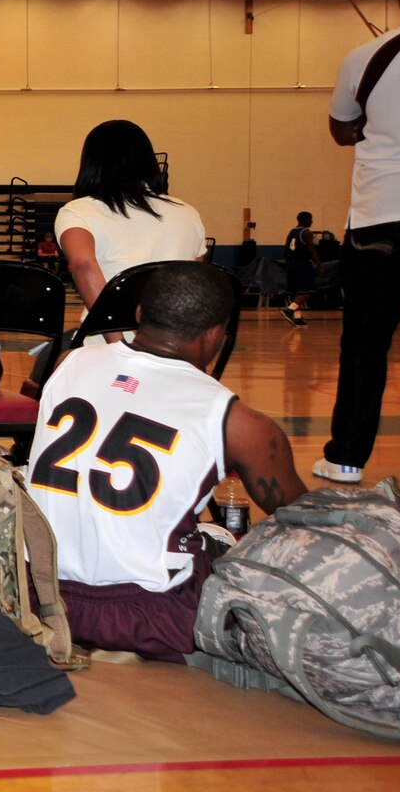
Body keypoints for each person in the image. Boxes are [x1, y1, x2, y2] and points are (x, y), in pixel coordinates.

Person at [26, 262, 306, 662]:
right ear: (215, 334)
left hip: (40, 596)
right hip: (147, 614)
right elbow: (303, 520)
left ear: (139, 315)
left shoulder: (69, 363)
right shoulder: (239, 423)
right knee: (252, 560)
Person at [317, 0, 400, 485]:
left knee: (365, 341)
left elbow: (342, 129)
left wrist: (368, 125)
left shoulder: (367, 55)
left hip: (382, 217)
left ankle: (346, 458)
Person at [54, 120, 206, 310]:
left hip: (108, 334)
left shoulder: (77, 211)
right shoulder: (188, 213)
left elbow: (83, 265)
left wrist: (114, 337)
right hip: (175, 334)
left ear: (91, 163)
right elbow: (194, 281)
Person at [281, 211, 321, 326]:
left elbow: (286, 249)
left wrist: (286, 262)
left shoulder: (292, 232)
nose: (312, 221)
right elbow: (311, 251)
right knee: (308, 290)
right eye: (310, 219)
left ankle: (297, 317)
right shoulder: (307, 232)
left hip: (291, 263)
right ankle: (289, 310)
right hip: (302, 263)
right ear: (304, 220)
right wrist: (319, 265)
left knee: (298, 291)